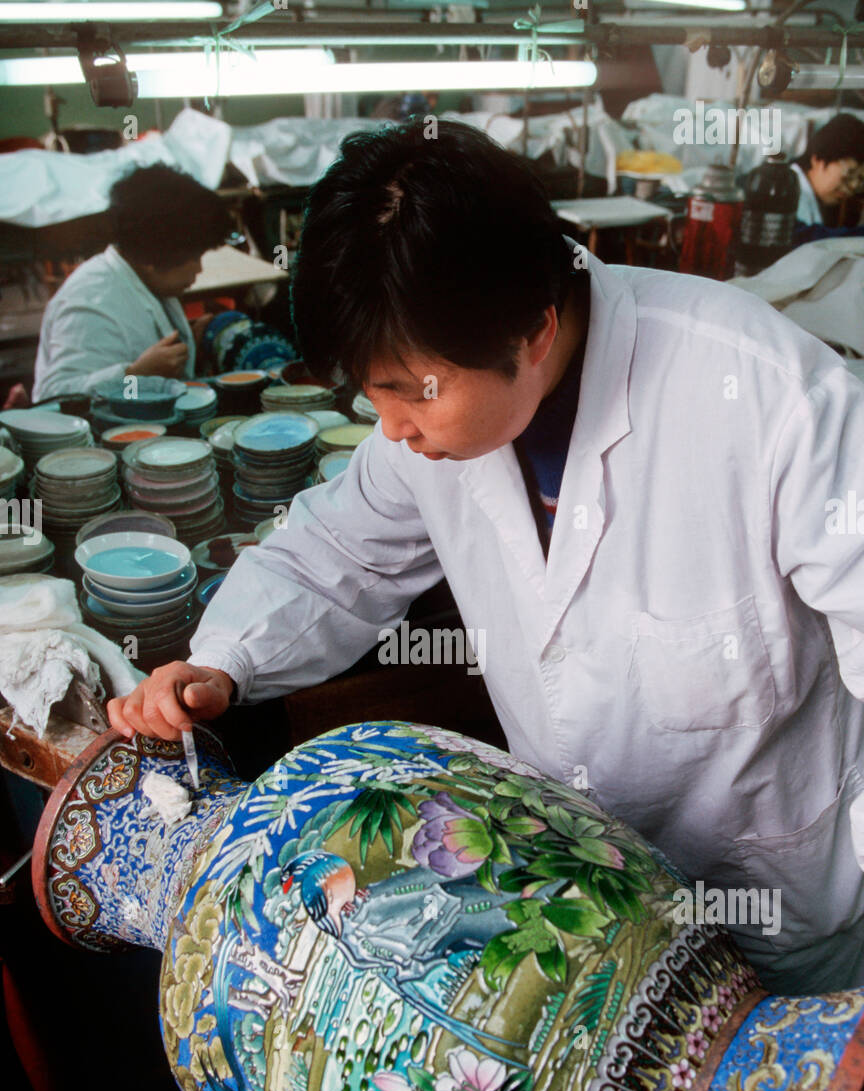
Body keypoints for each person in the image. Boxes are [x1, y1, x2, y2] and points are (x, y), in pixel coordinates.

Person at [108, 118, 864, 996]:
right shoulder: (428, 421)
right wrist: (223, 662)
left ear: (533, 332)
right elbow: (336, 551)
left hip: (774, 926)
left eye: (403, 392)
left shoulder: (772, 399)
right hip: (580, 919)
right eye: (369, 392)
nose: (389, 426)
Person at [32, 164, 231, 402]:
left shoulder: (143, 276)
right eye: (194, 257)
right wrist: (136, 375)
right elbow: (52, 398)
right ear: (152, 256)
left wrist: (189, 345)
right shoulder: (89, 305)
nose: (199, 269)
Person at [791, 112, 864, 239]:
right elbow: (806, 238)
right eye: (849, 174)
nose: (852, 187)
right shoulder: (789, 192)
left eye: (860, 179)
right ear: (818, 160)